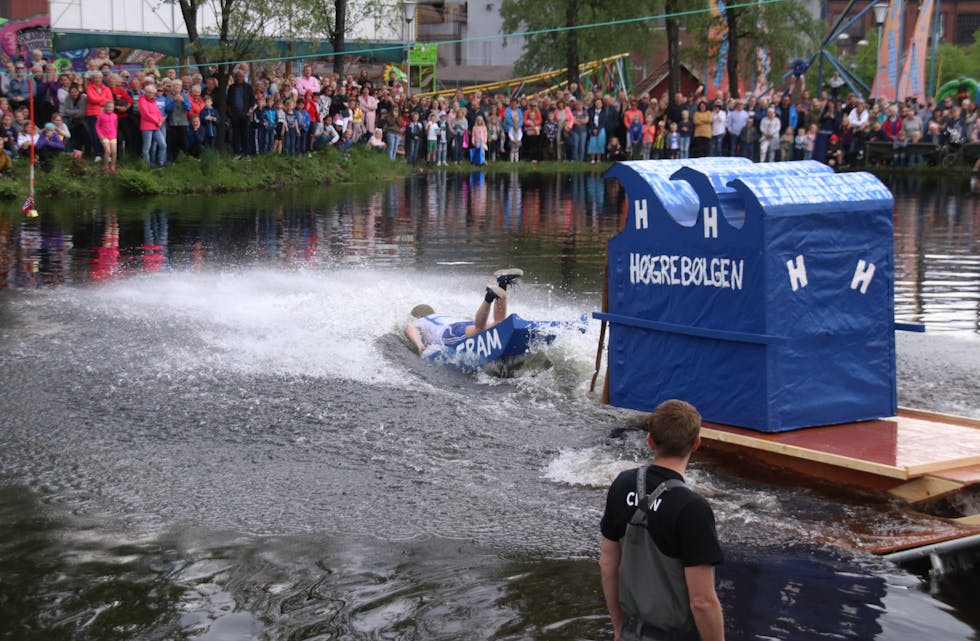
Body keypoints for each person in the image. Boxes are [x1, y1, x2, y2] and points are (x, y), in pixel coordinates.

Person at [599, 399, 725, 641]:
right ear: (696, 444)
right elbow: (702, 602)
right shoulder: (692, 508)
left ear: (650, 441)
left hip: (631, 632)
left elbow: (607, 565)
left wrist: (618, 628)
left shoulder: (622, 484)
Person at [405, 269, 524, 356]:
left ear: (418, 315)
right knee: (499, 323)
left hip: (449, 333)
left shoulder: (420, 321)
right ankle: (502, 282)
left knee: (478, 330)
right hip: (461, 325)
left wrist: (419, 345)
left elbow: (409, 328)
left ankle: (489, 296)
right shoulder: (441, 315)